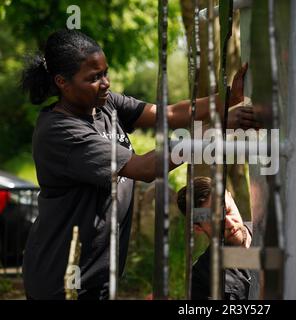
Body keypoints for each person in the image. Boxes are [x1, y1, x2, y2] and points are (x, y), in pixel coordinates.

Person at [20, 29, 258, 300]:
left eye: (105, 72)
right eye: (94, 78)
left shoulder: (104, 104)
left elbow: (167, 113)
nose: (106, 82)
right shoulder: (60, 131)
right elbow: (144, 168)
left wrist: (229, 99)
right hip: (61, 279)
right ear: (62, 82)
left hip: (98, 275)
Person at [177, 177, 253, 300]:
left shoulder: (274, 233)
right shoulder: (201, 278)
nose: (229, 224)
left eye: (228, 211)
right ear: (198, 228)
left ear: (231, 198)